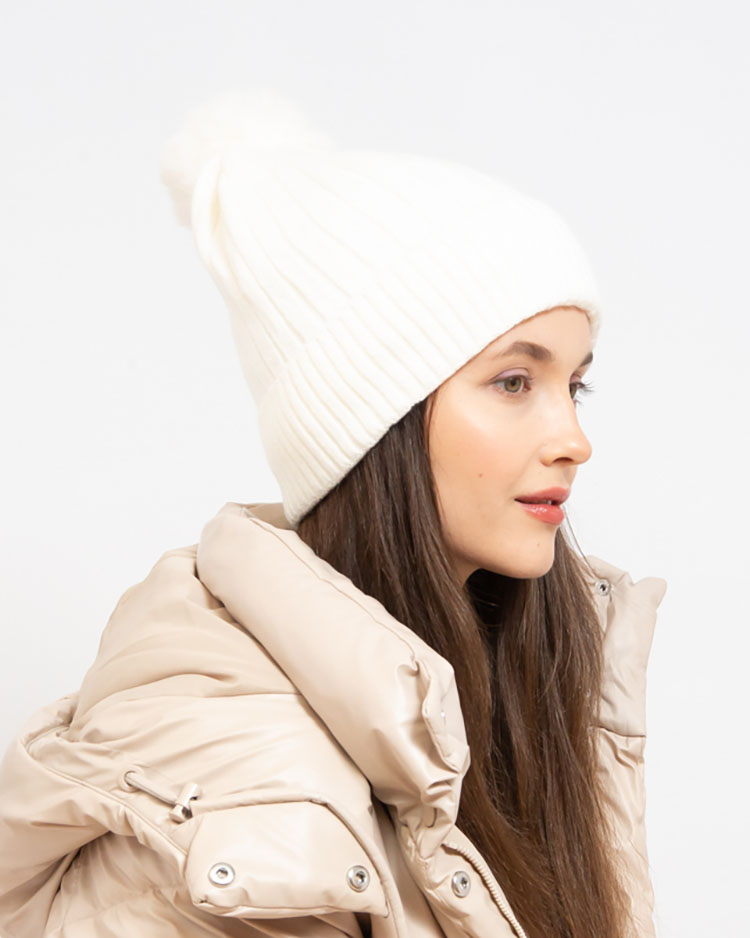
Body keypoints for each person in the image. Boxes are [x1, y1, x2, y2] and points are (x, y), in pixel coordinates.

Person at [0, 89, 667, 938]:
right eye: (513, 381)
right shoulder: (256, 801)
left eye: (575, 386)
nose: (574, 440)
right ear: (372, 423)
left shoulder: (519, 693)